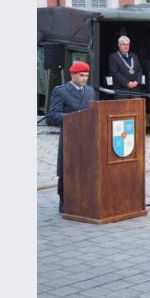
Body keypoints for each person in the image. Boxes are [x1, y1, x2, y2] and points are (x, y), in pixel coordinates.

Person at [47, 61, 94, 213]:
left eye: (87, 75)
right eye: (81, 75)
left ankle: (84, 198)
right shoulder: (61, 91)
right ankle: (64, 200)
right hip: (70, 137)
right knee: (67, 168)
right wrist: (75, 117)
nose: (85, 78)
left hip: (87, 136)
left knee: (86, 167)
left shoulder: (90, 91)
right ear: (72, 74)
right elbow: (53, 115)